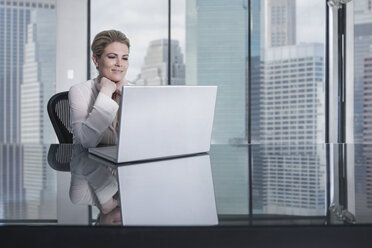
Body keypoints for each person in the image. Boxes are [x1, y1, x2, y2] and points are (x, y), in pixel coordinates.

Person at [69, 30, 130, 148]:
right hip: (90, 163)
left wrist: (127, 97)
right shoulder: (79, 91)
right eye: (112, 57)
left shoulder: (133, 92)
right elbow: (85, 142)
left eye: (125, 58)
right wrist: (106, 91)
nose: (119, 63)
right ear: (96, 60)